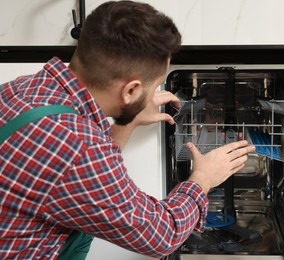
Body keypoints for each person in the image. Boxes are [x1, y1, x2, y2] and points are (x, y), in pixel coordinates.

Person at [0, 1, 255, 259]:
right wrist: (203, 179)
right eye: (153, 85)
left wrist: (129, 118)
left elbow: (84, 182)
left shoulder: (21, 89)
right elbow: (162, 235)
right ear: (131, 90)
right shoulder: (79, 148)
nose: (153, 93)